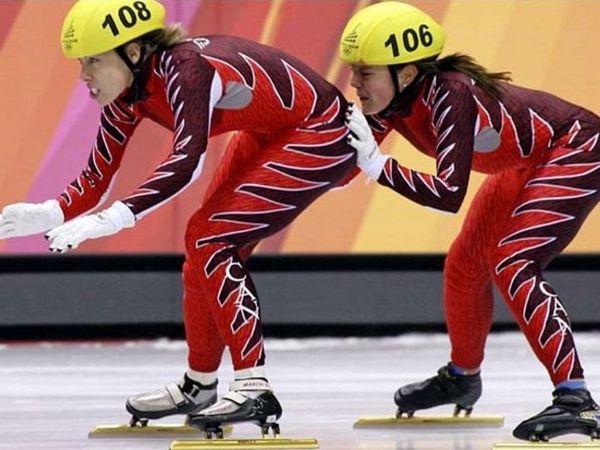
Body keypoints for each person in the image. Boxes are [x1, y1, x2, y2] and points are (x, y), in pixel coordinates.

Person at [0, 0, 358, 435]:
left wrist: (114, 218)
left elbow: (187, 161)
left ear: (133, 52)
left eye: (93, 61)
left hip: (325, 131)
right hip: (272, 131)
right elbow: (97, 176)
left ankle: (254, 387)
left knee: (209, 238)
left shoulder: (185, 69)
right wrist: (49, 212)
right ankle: (200, 386)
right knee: (200, 251)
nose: (84, 76)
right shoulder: (128, 93)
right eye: (81, 63)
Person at [340, 1, 600, 442]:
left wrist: (379, 166)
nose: (354, 82)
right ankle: (463, 377)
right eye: (353, 70)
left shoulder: (450, 96)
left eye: (365, 72)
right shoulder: (390, 102)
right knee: (464, 265)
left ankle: (576, 398)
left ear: (407, 73)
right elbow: (344, 169)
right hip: (526, 162)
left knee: (513, 263)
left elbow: (448, 194)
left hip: (577, 146)